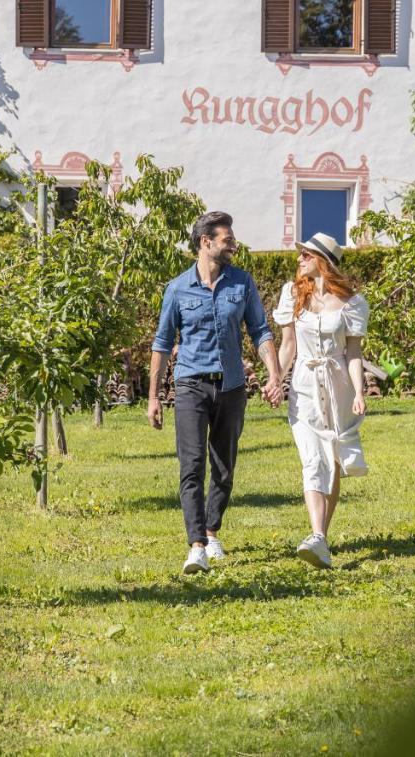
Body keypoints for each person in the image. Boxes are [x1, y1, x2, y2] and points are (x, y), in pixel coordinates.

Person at [148, 211, 284, 574]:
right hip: (191, 384)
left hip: (231, 387)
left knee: (223, 467)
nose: (234, 244)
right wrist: (153, 396)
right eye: (227, 239)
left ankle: (211, 530)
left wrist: (275, 375)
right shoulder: (177, 288)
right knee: (191, 466)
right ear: (205, 242)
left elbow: (260, 330)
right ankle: (196, 546)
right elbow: (162, 343)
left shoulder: (241, 283)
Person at [272, 233, 369, 569]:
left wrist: (358, 391)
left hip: (338, 385)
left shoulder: (352, 303)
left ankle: (321, 539)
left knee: (334, 460)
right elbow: (288, 346)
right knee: (313, 458)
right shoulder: (293, 293)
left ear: (322, 261)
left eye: (306, 254)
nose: (299, 259)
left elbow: (354, 353)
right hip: (304, 385)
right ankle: (316, 535)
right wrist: (276, 377)